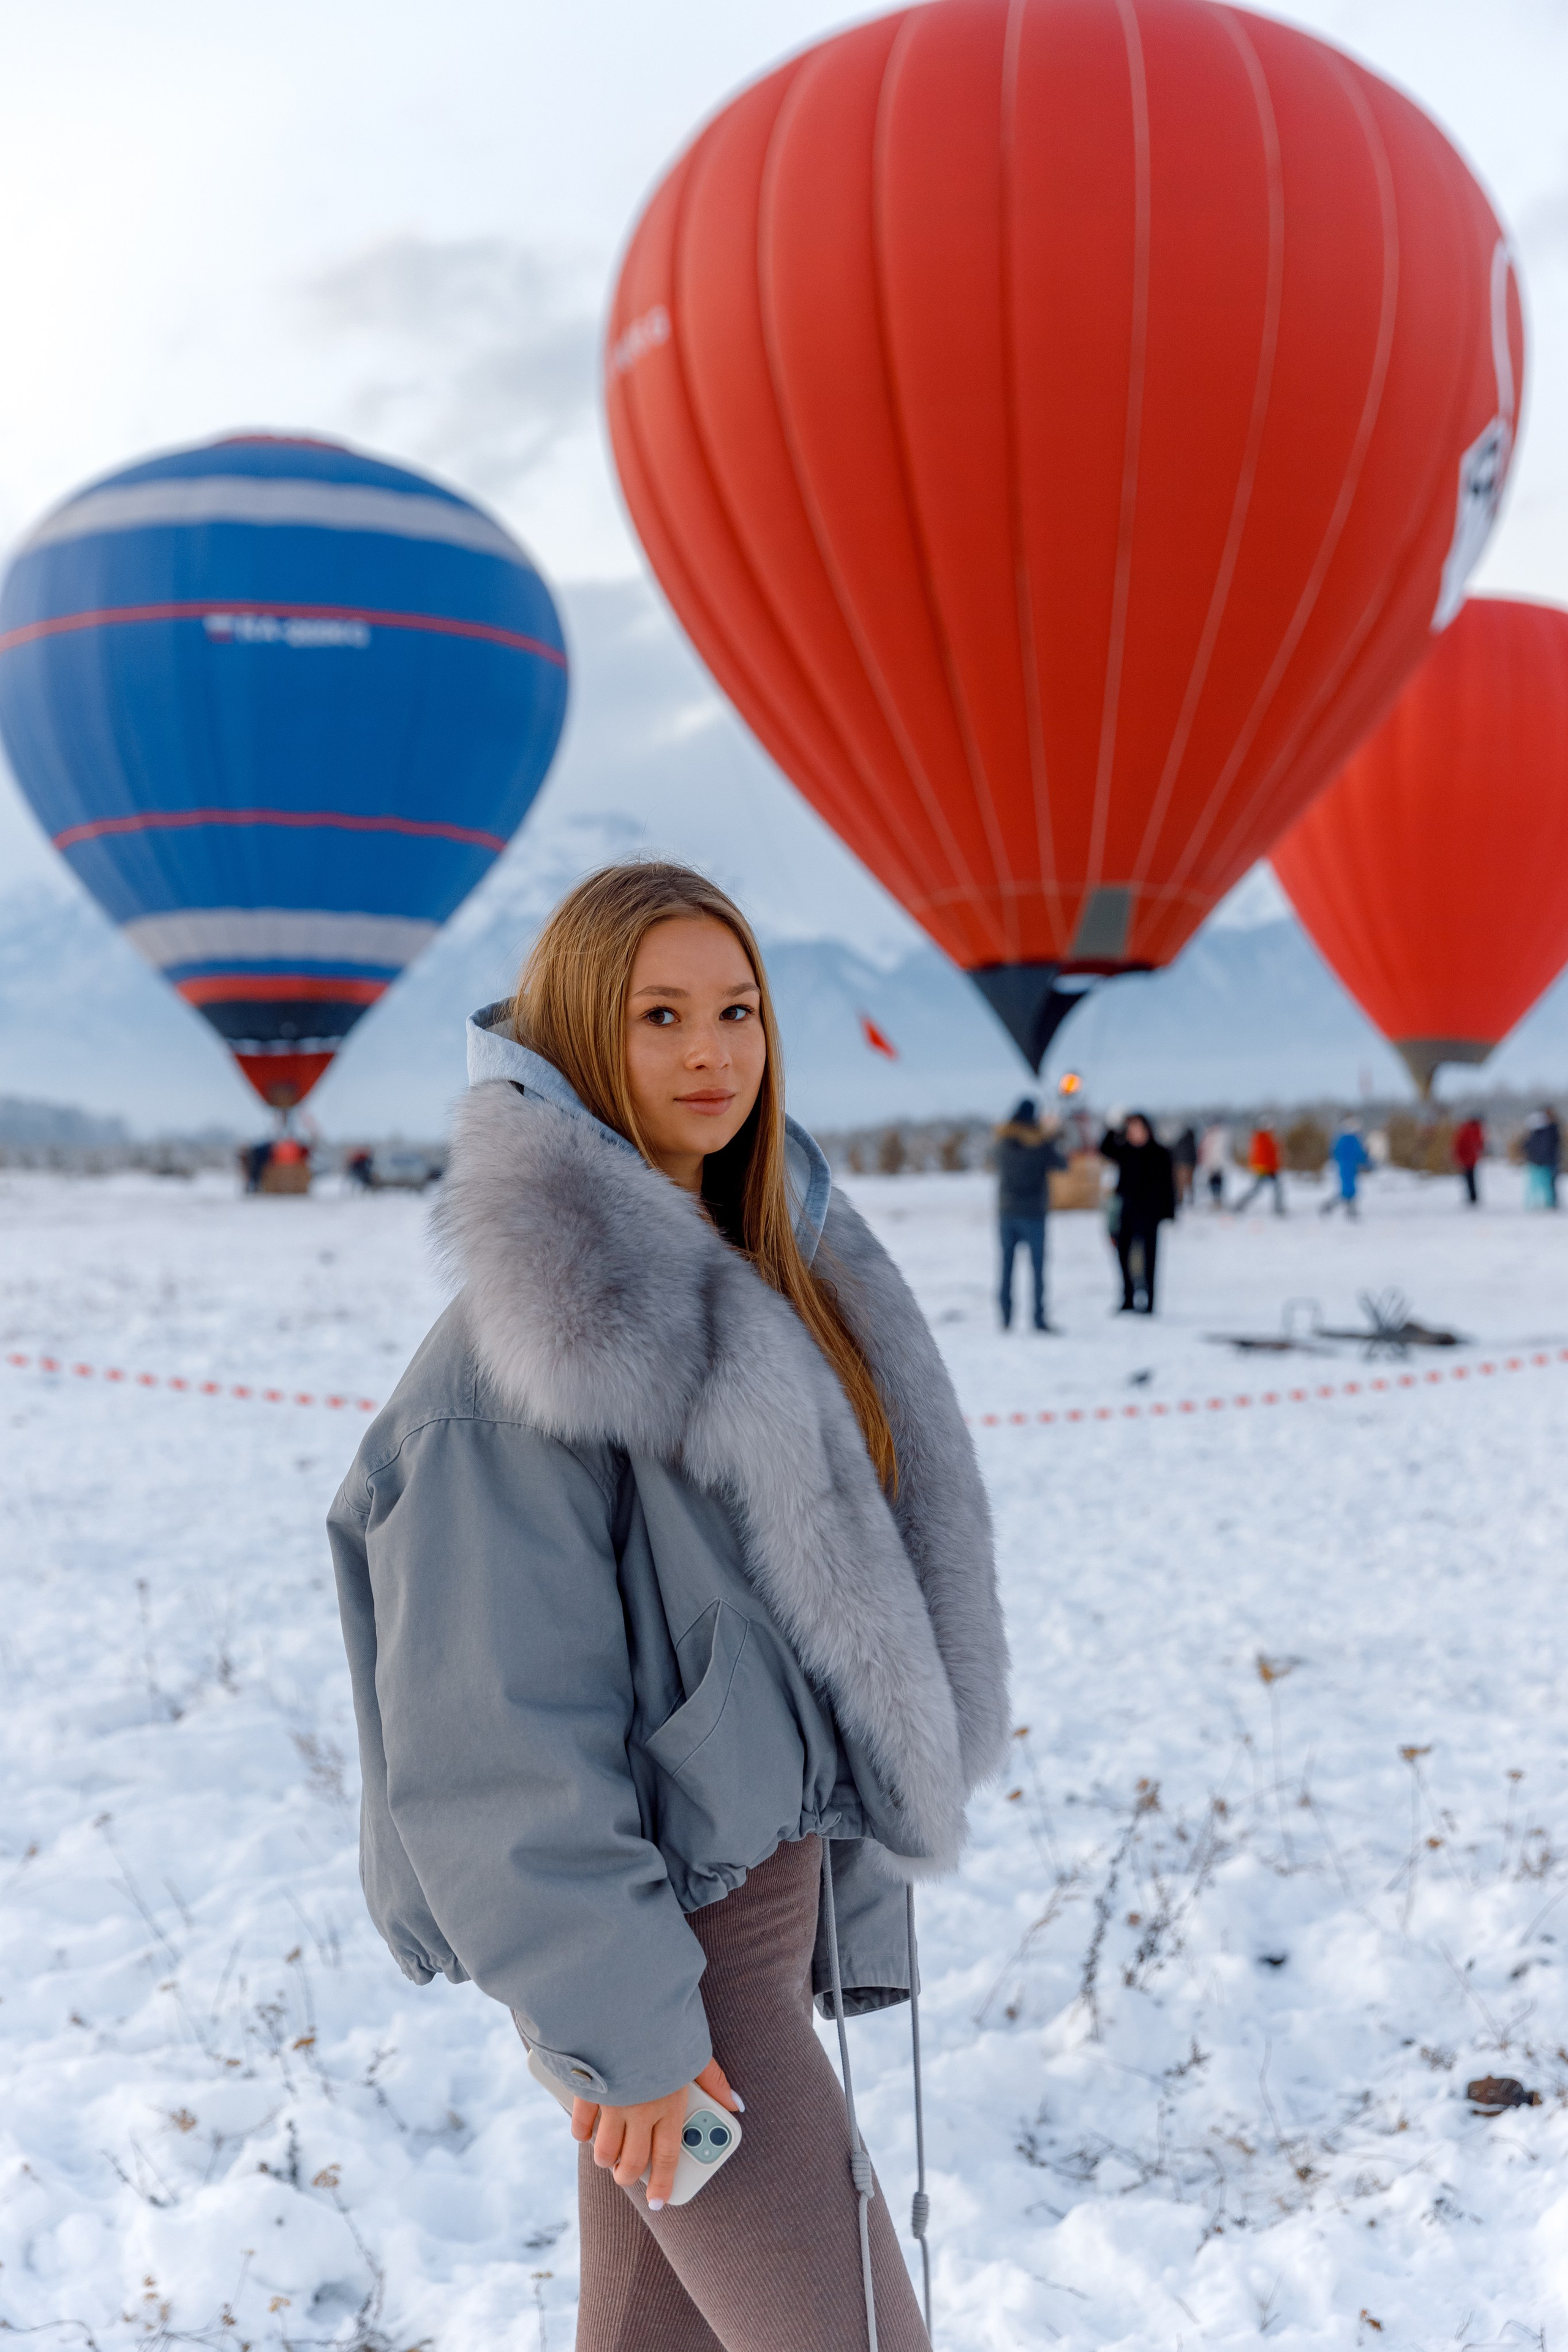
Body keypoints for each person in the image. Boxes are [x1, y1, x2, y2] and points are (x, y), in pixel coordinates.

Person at [328, 863, 1008, 2352]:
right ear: (577, 1036)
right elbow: (493, 1741)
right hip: (673, 1963)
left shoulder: (769, 1288)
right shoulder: (522, 1361)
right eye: (658, 1016)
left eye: (737, 1010)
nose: (711, 1052)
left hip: (737, 1935)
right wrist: (627, 2037)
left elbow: (818, 1626)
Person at [993, 1096, 1065, 1332]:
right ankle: (1039, 1319)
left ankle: (1005, 1318)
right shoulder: (1041, 1144)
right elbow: (1062, 1165)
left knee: (1006, 1266)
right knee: (1037, 1268)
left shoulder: (1002, 1142)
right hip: (1034, 1214)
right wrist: (1052, 1134)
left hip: (1007, 1213)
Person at [1099, 1112, 1176, 1313]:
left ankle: (1150, 1302)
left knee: (1149, 1259)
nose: (1134, 1132)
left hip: (1150, 1214)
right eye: (1130, 1128)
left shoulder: (1159, 1153)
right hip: (1127, 1211)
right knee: (1124, 1256)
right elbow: (1104, 1149)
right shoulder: (1125, 1151)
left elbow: (1169, 1186)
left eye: (1137, 1127)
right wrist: (1114, 1129)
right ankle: (1128, 1298)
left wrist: (1169, 1213)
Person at [1235, 1118, 1286, 1215]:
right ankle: (1240, 1204)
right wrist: (1265, 1168)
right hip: (1265, 1169)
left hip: (1270, 1168)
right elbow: (1262, 1155)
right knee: (1258, 1190)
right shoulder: (1262, 1138)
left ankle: (1240, 1205)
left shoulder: (1267, 1137)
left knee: (1272, 1189)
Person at [1321, 1120, 1370, 1218]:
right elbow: (1359, 1154)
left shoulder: (1340, 1139)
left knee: (1347, 1189)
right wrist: (1366, 1162)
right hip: (1350, 1166)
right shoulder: (1354, 1140)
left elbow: (1334, 1152)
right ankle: (1337, 1207)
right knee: (1349, 1190)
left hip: (1343, 1166)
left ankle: (1344, 1208)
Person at [1523, 1107, 1561, 1210]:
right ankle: (1545, 1203)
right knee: (1545, 1185)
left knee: (1547, 1184)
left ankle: (1548, 1203)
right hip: (1543, 1162)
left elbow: (1528, 1147)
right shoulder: (1546, 1131)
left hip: (1544, 1162)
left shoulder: (1549, 1130)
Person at [1452, 1114, 1485, 1208]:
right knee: (1470, 1178)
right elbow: (1478, 1144)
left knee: (1469, 1178)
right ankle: (1472, 1197)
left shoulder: (1466, 1129)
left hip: (1469, 1159)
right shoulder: (1471, 1130)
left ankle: (1472, 1197)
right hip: (1468, 1159)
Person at [1197, 1120, 1229, 1208]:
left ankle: (1218, 1201)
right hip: (1211, 1164)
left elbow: (1222, 1152)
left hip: (1218, 1164)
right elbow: (1205, 1152)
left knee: (1218, 1183)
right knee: (1213, 1183)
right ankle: (1215, 1201)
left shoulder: (1220, 1136)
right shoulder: (1208, 1136)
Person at [1171, 1125, 1198, 1209]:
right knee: (1189, 1184)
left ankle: (1181, 1201)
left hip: (1181, 1165)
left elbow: (1175, 1152)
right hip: (1188, 1166)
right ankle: (1189, 1200)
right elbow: (1194, 1156)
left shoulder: (1181, 1141)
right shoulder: (1192, 1143)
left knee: (1181, 1185)